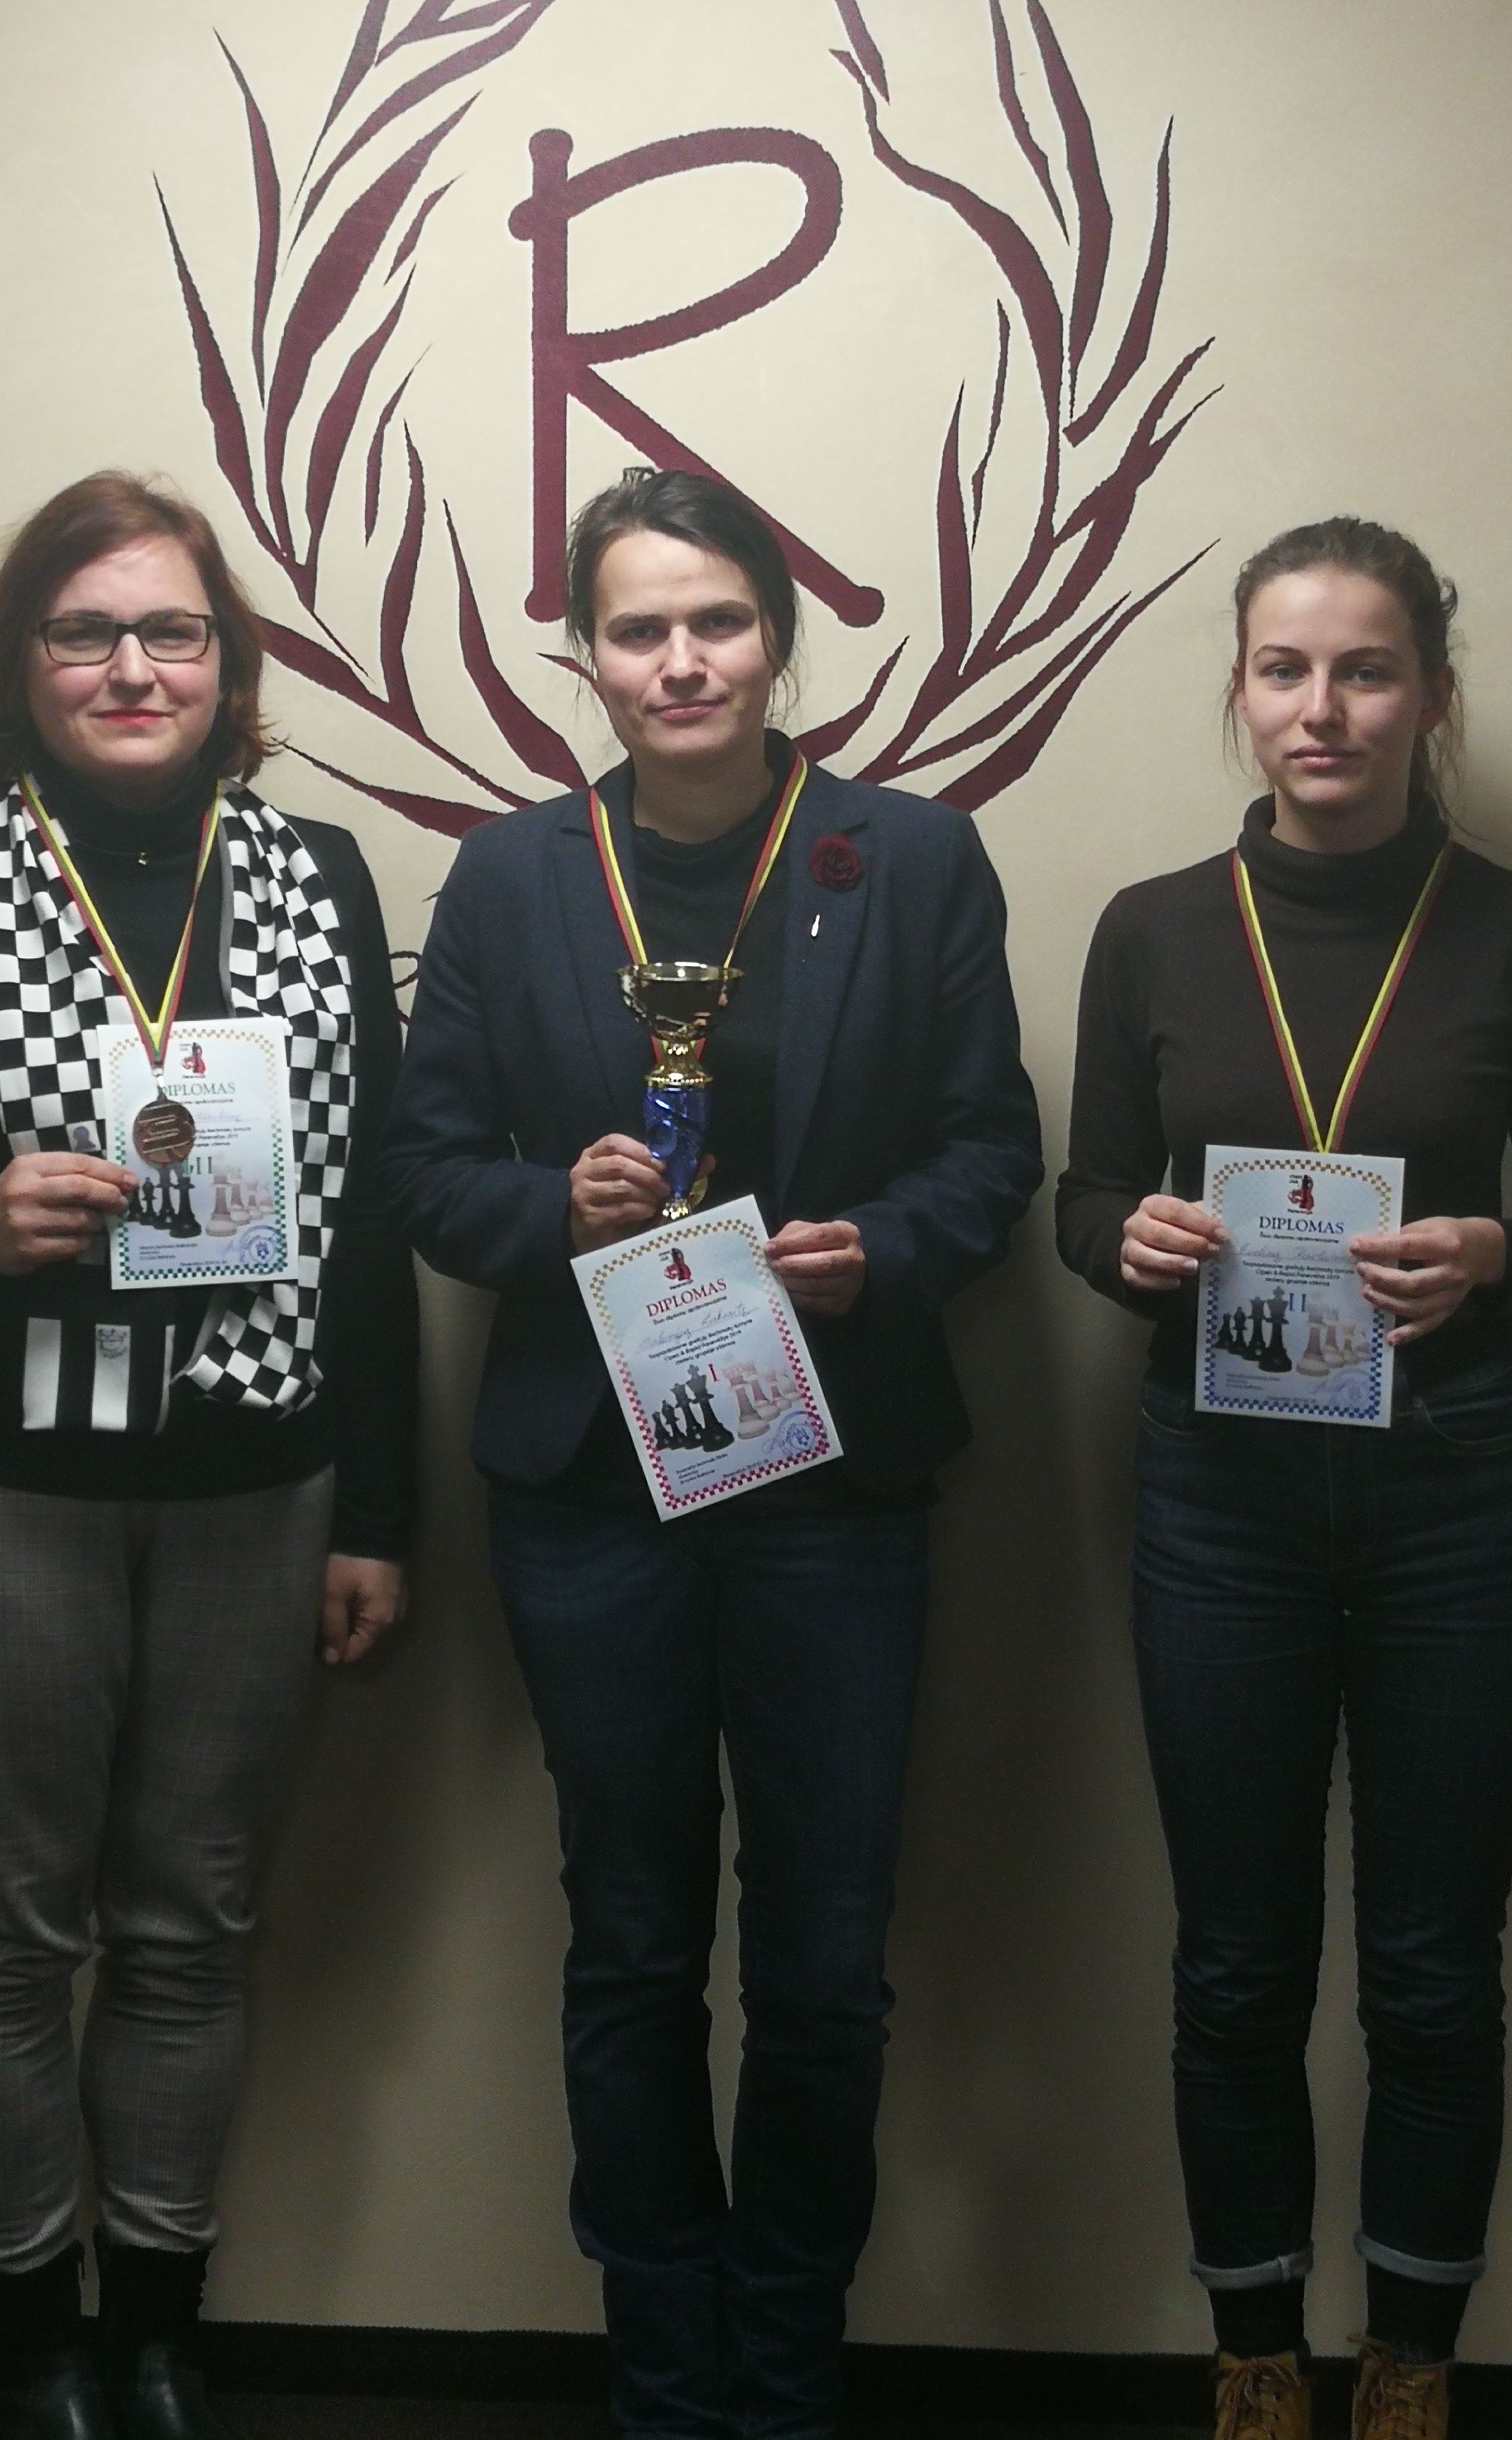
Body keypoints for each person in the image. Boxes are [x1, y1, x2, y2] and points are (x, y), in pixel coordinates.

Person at [0, 473, 417, 2440]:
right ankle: (33, 2336)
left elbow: (372, 1225)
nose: (133, 667)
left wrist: (377, 1511)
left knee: (193, 1925)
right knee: (6, 1931)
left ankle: (159, 2331)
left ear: (227, 666)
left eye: (172, 631)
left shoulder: (320, 880)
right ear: (20, 668)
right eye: (85, 631)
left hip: (256, 1481)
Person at [384, 467, 1043, 2440]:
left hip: (832, 1487)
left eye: (719, 621)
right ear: (585, 659)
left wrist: (885, 1252)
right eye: (640, 628)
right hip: (594, 1498)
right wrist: (553, 1209)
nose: (682, 661)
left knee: (827, 1962)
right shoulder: (510, 877)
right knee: (631, 1943)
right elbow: (423, 1168)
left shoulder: (908, 858)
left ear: (777, 636)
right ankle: (667, 2378)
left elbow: (989, 1148)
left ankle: (788, 2363)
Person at [1054, 521, 1512, 2440]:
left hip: (1453, 1486)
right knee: (1235, 1965)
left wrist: (1496, 1255)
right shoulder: (1153, 927)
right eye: (1286, 669)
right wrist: (1124, 1241)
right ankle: (1253, 2355)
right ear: (1240, 690)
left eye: (1367, 670)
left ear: (1432, 697)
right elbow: (1084, 1195)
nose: (1324, 708)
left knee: (1431, 1971)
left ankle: (1408, 2362)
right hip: (1216, 1491)